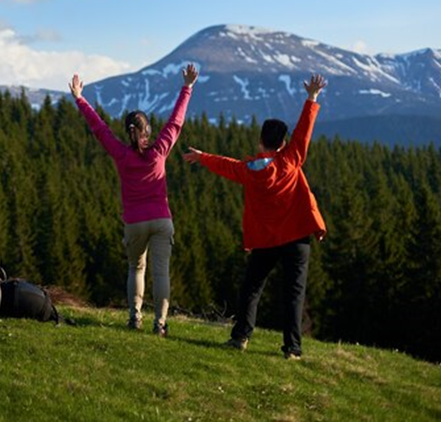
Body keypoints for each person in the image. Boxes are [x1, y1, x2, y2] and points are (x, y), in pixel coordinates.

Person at [182, 73, 328, 360]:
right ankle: (293, 349)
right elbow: (304, 131)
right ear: (283, 142)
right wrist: (311, 98)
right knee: (294, 294)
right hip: (297, 237)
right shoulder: (291, 159)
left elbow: (228, 165)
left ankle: (240, 338)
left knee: (251, 287)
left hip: (265, 240)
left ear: (261, 141)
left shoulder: (249, 170)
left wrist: (202, 157)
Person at [69, 63, 198, 337]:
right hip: (162, 220)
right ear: (147, 131)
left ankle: (134, 318)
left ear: (128, 132)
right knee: (160, 274)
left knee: (135, 269)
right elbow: (176, 121)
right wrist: (186, 88)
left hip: (134, 222)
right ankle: (160, 324)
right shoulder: (159, 150)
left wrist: (80, 99)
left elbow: (99, 128)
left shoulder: (121, 154)